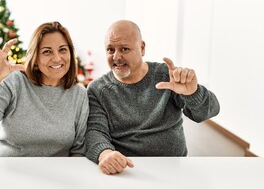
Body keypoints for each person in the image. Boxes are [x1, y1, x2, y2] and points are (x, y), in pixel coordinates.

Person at [85, 20, 220, 174]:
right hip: (126, 169)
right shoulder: (97, 89)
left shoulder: (167, 75)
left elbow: (206, 113)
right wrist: (105, 154)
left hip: (174, 167)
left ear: (142, 48)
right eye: (110, 49)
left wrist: (192, 93)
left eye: (124, 48)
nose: (116, 57)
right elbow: (95, 131)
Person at [0, 21, 89, 157]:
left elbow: (78, 150)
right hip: (7, 170)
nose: (57, 58)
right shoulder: (16, 82)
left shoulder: (79, 94)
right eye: (47, 52)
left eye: (63, 49)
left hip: (53, 174)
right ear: (35, 58)